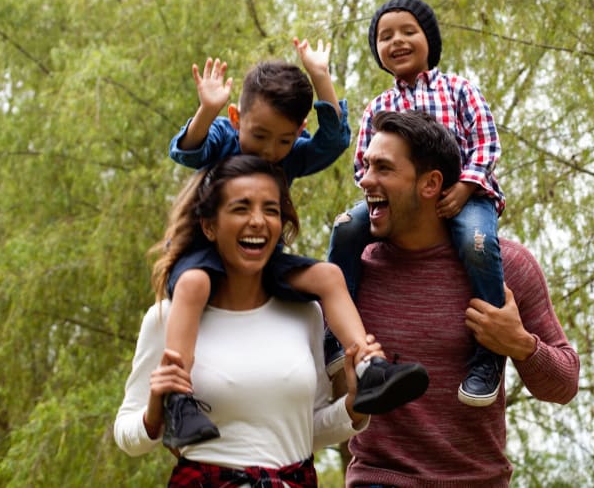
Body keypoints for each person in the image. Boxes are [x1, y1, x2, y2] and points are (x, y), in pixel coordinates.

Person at [161, 40, 427, 449]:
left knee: (328, 275)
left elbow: (334, 142)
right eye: (260, 136)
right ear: (237, 119)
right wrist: (208, 110)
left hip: (264, 260)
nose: (269, 152)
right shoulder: (224, 135)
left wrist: (321, 77)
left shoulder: (290, 155)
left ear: (298, 133)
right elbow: (187, 151)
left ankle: (369, 365)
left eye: (283, 141)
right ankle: (178, 400)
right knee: (193, 284)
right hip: (204, 256)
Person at [343, 110, 580, 487]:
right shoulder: (353, 273)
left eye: (383, 168)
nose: (365, 180)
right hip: (380, 477)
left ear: (430, 183)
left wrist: (521, 345)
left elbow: (564, 384)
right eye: (367, 165)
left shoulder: (508, 267)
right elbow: (317, 393)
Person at [114, 155, 376, 486]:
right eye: (241, 208)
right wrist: (155, 411)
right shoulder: (166, 319)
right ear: (209, 226)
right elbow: (126, 436)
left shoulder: (306, 314)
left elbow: (307, 431)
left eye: (271, 210)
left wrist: (355, 405)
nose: (258, 221)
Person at [328, 0, 508, 407]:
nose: (397, 41)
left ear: (430, 39)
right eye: (385, 36)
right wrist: (378, 191)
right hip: (400, 201)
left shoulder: (458, 90)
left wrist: (463, 186)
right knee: (346, 227)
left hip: (466, 195)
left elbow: (485, 144)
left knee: (476, 243)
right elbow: (363, 167)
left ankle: (489, 351)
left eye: (408, 32)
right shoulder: (378, 107)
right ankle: (335, 331)